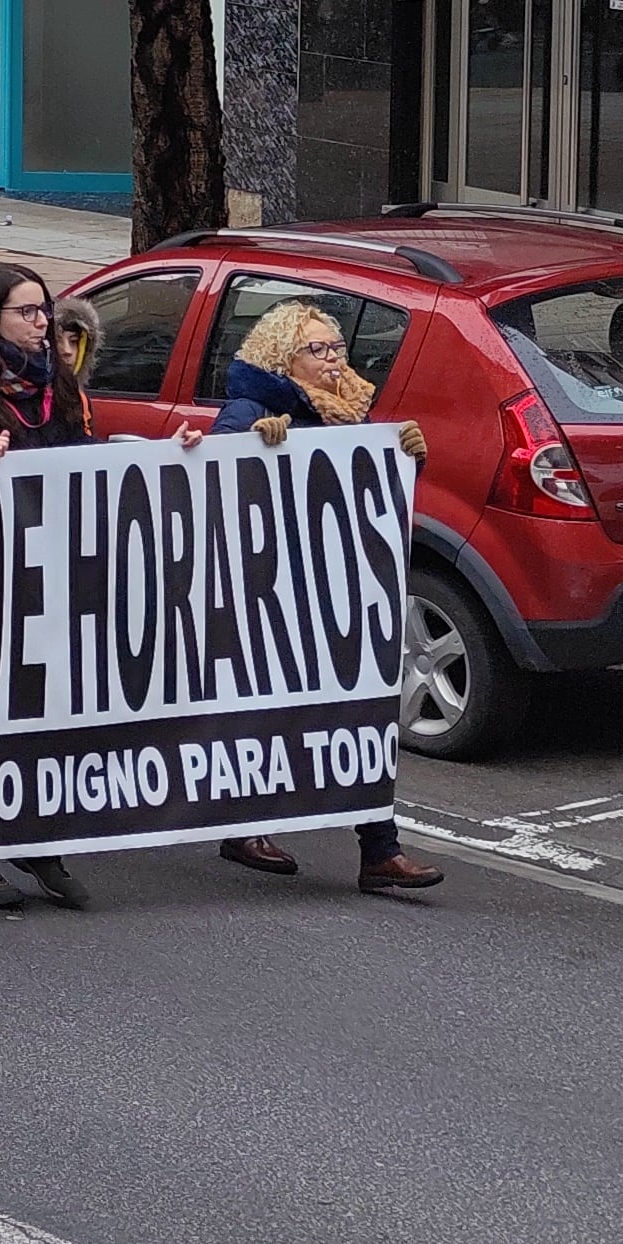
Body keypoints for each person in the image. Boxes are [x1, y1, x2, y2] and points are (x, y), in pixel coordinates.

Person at [204, 302, 448, 898]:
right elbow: (210, 484)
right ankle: (245, 827)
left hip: (334, 587)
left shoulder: (346, 414)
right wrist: (250, 448)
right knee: (266, 711)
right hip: (272, 590)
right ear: (282, 357)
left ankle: (380, 851)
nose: (334, 357)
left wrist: (411, 457)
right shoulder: (250, 408)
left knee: (358, 711)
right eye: (318, 349)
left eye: (336, 346)